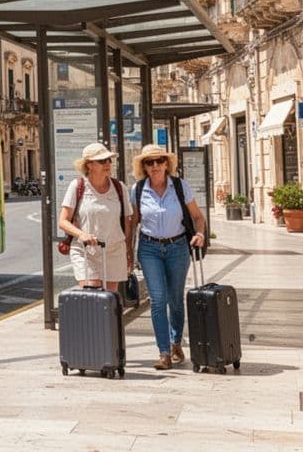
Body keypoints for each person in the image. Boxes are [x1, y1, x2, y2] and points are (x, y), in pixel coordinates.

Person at [130, 144, 207, 370]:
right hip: (149, 248)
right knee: (157, 299)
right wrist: (128, 252)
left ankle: (175, 342)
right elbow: (133, 223)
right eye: (149, 162)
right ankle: (163, 352)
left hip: (178, 248)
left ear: (166, 163)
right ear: (144, 167)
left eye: (159, 161)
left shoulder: (180, 186)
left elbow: (198, 217)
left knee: (175, 299)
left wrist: (200, 234)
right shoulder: (138, 189)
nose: (155, 166)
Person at [58, 142, 131, 292]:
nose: (108, 164)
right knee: (91, 297)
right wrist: (82, 234)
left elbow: (127, 221)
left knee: (109, 301)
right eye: (102, 161)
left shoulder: (119, 187)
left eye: (109, 160)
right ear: (89, 165)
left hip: (113, 250)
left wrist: (128, 250)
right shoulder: (77, 186)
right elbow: (63, 221)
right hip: (85, 251)